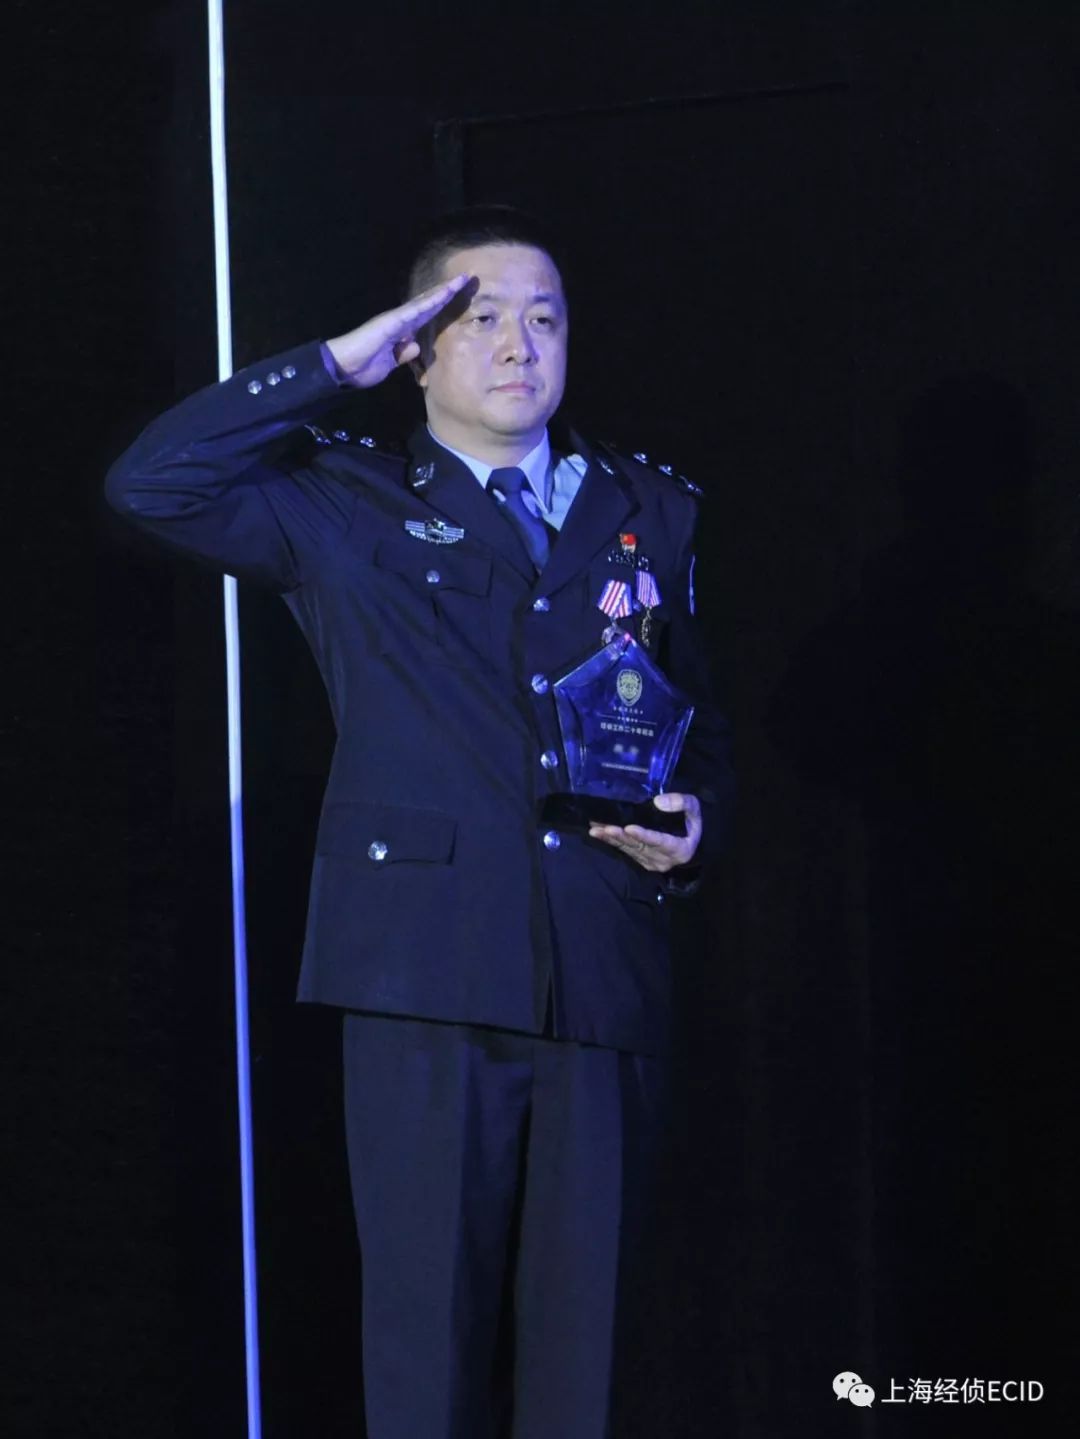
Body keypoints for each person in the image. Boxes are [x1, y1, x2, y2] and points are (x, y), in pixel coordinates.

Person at [105, 206, 733, 1439]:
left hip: (599, 964)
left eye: (544, 318)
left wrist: (698, 822)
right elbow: (150, 483)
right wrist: (331, 365)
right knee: (424, 1343)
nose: (518, 344)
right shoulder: (346, 500)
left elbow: (691, 716)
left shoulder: (646, 508)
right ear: (419, 348)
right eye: (481, 317)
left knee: (587, 1351)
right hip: (425, 967)